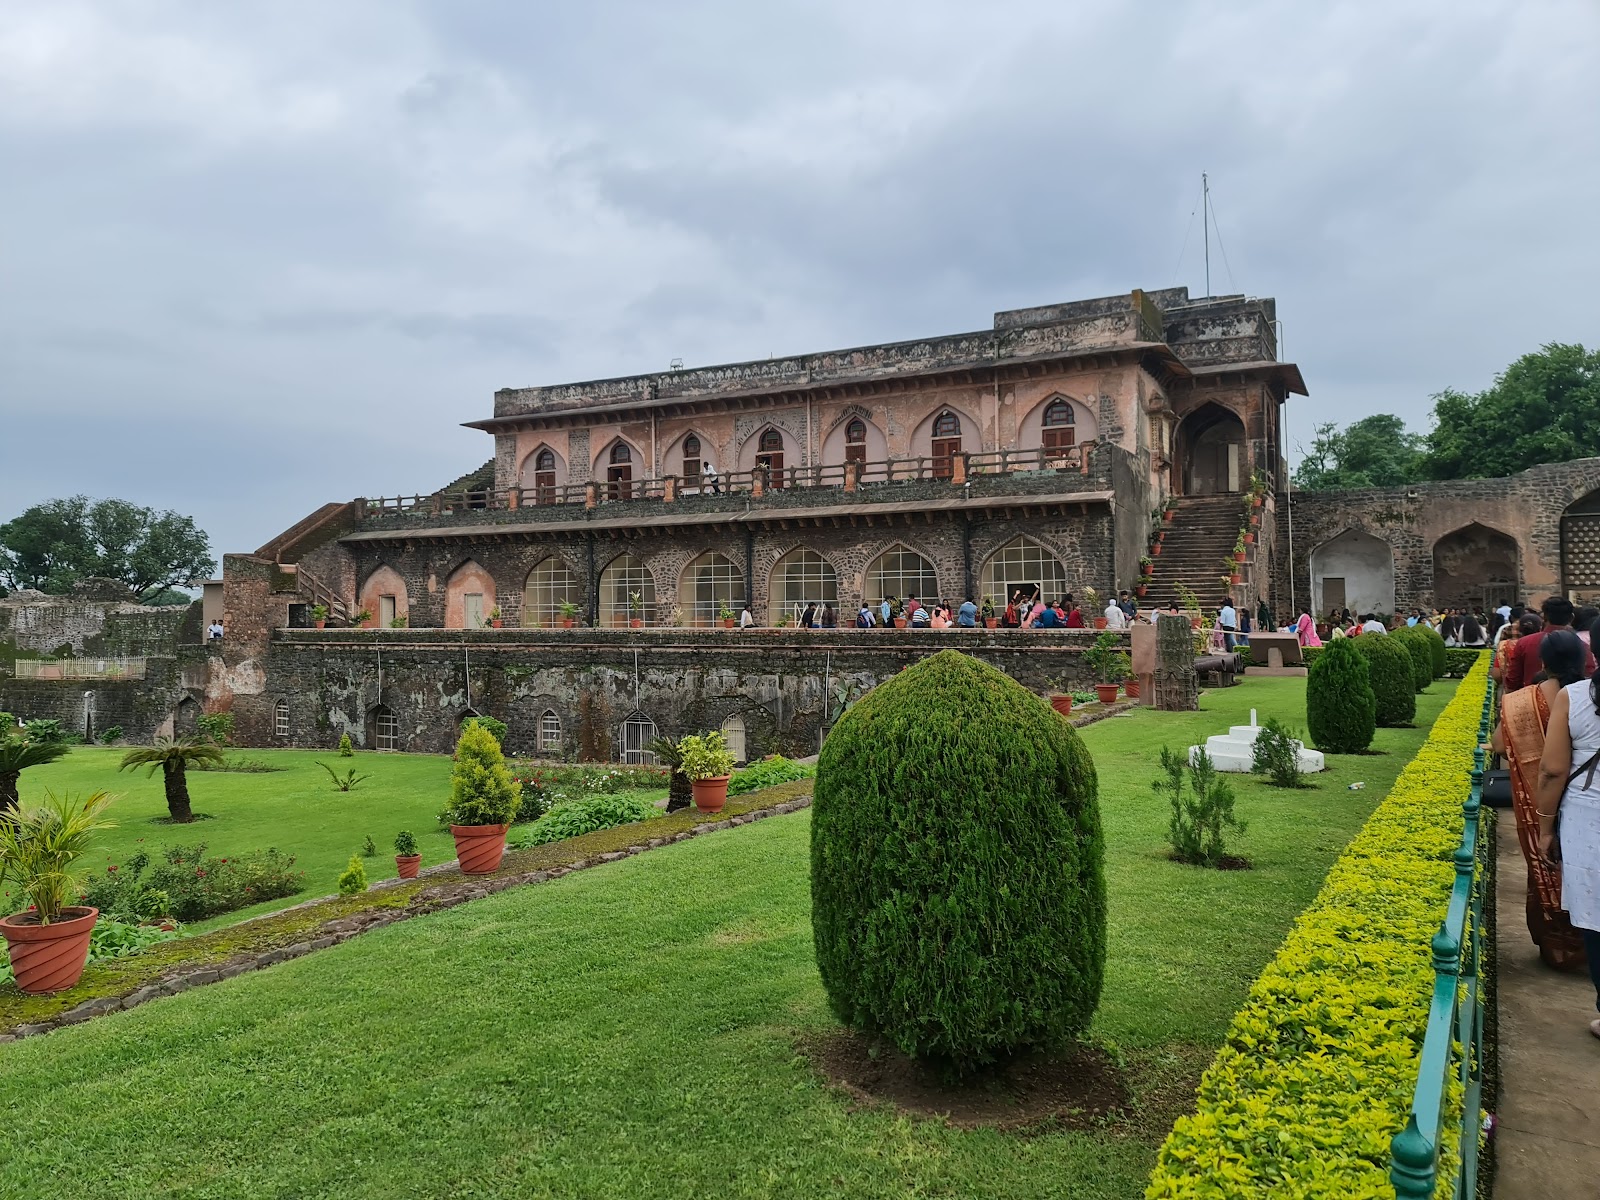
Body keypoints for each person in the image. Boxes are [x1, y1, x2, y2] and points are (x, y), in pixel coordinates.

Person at [1496, 630, 1588, 970]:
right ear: (1583, 659)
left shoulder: (1522, 702)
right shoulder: (1588, 696)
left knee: (1548, 870)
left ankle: (1561, 948)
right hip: (1586, 799)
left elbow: (1503, 747)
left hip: (1544, 804)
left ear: (1544, 662)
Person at [1535, 646, 1600, 1037]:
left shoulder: (1574, 697)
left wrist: (1544, 828)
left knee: (1596, 913)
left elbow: (1553, 769)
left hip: (1588, 816)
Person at [1506, 597, 1597, 693]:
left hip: (1531, 701)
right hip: (1571, 703)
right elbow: (1589, 678)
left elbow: (1513, 681)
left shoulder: (1524, 643)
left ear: (1544, 617)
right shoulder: (1582, 645)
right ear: (1572, 617)